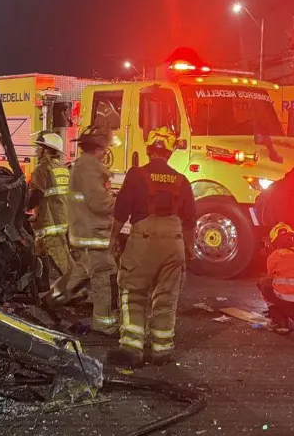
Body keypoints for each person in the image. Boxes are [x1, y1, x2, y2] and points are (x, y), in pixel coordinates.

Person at [106, 127, 196, 367]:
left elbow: (121, 210)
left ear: (148, 150)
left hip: (144, 240)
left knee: (133, 292)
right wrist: (188, 248)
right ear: (169, 153)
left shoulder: (137, 175)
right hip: (174, 242)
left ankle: (132, 348)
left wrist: (113, 237)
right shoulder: (181, 180)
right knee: (166, 297)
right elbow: (190, 221)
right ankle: (162, 350)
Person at [43, 126, 119, 336]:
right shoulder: (90, 168)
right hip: (93, 234)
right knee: (104, 276)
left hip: (85, 231)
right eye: (104, 148)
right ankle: (104, 324)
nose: (105, 152)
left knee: (83, 271)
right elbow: (99, 203)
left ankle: (51, 299)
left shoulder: (83, 165)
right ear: (98, 147)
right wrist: (120, 202)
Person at [28, 132, 74, 279]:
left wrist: (23, 209)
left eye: (39, 148)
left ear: (46, 150)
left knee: (63, 261)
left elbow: (36, 194)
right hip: (61, 219)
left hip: (51, 224)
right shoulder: (62, 168)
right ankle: (39, 285)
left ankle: (77, 286)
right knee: (36, 255)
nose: (36, 150)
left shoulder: (42, 168)